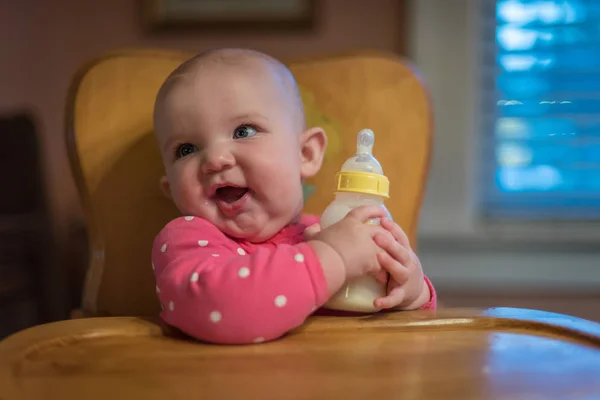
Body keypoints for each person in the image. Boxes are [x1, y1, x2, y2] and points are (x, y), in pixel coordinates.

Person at [151, 48, 436, 345]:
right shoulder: (186, 240)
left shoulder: (329, 231)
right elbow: (216, 308)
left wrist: (411, 291)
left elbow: (409, 333)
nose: (216, 158)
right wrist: (334, 257)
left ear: (305, 154)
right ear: (171, 190)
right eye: (186, 149)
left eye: (243, 131)